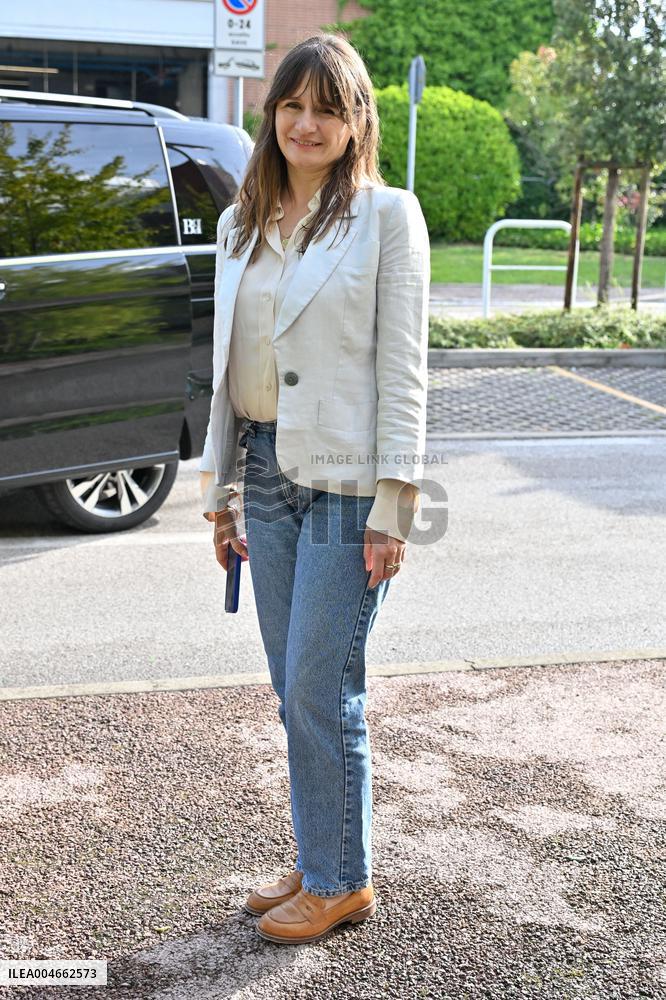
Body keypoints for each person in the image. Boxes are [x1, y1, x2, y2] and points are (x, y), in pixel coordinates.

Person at [199, 32, 430, 945]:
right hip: (261, 471)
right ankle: (321, 849)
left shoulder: (386, 217)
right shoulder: (239, 223)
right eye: (292, 106)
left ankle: (341, 882)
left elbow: (405, 370)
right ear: (272, 116)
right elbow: (230, 367)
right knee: (288, 684)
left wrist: (396, 508)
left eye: (326, 109)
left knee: (321, 684)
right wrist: (219, 494)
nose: (306, 123)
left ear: (354, 122)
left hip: (344, 486)